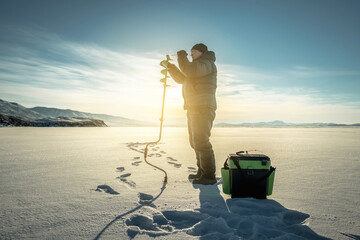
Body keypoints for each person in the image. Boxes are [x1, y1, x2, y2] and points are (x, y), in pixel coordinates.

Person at [166, 43, 217, 185]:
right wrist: (170, 67)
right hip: (193, 107)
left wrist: (181, 56)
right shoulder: (195, 67)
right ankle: (201, 171)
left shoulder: (206, 64)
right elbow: (181, 79)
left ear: (201, 52)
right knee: (195, 142)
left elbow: (189, 70)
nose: (191, 54)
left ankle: (209, 176)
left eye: (193, 52)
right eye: (189, 53)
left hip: (203, 107)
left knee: (201, 141)